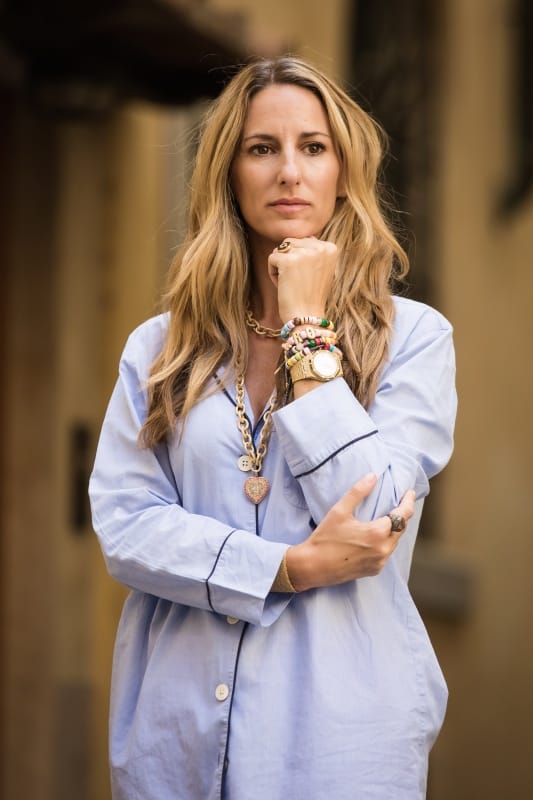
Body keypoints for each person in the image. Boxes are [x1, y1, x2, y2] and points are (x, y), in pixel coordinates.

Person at [89, 56, 456, 800]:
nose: (289, 171)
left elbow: (373, 506)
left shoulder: (414, 338)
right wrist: (287, 568)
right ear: (228, 173)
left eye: (313, 147)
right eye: (262, 148)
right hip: (175, 743)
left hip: (339, 746)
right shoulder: (159, 349)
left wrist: (306, 329)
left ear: (343, 172)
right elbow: (126, 524)